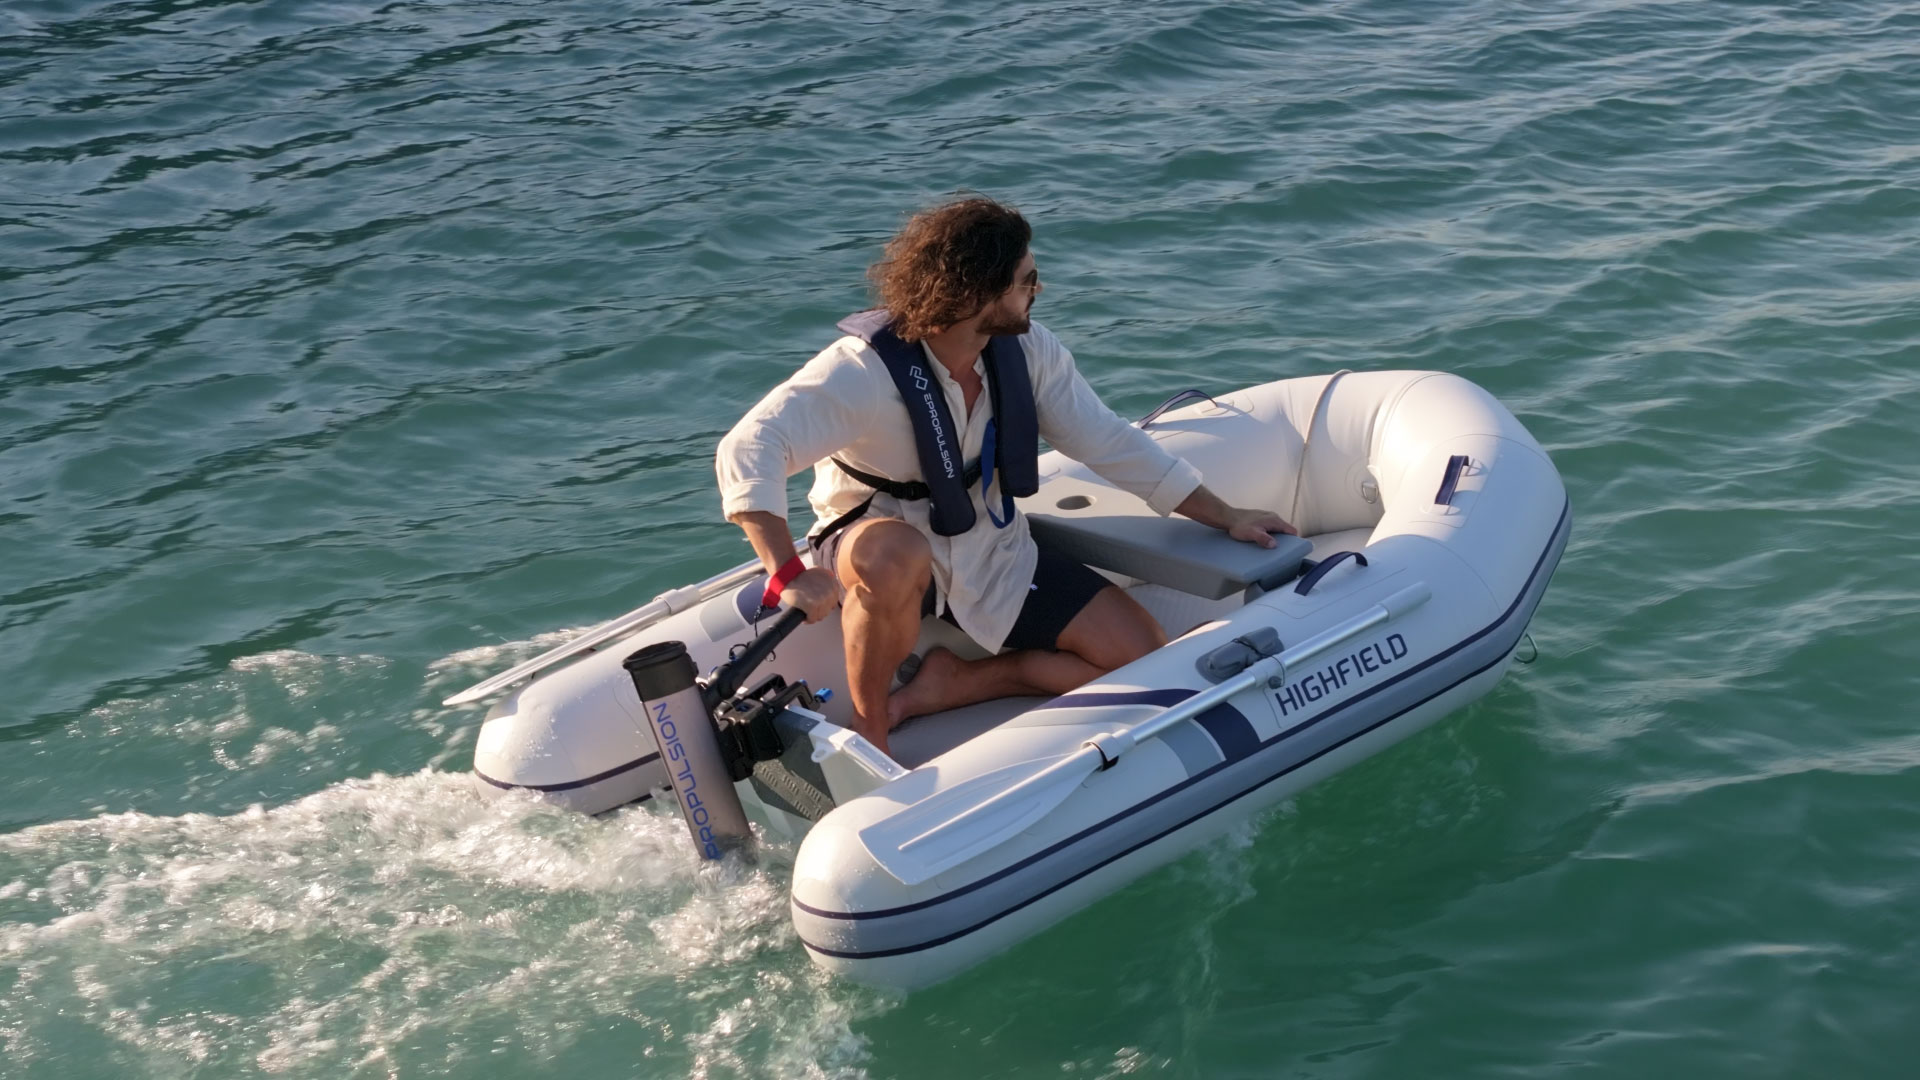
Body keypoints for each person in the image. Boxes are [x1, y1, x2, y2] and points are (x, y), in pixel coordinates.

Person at [716, 197, 1294, 757]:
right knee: (896, 554)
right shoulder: (862, 370)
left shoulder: (1029, 351)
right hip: (875, 538)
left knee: (1142, 656)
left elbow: (1108, 440)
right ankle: (871, 729)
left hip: (990, 544)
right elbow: (748, 448)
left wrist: (1226, 514)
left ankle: (963, 682)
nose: (1037, 290)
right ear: (975, 292)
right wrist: (787, 573)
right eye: (1026, 280)